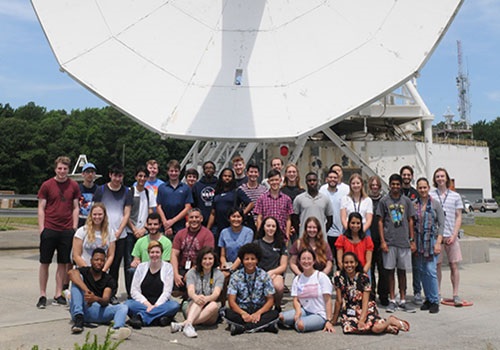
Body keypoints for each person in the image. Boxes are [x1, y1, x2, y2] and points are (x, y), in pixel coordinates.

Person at [37, 156, 80, 308]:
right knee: (45, 262)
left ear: (68, 170)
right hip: (50, 228)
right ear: (55, 169)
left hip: (66, 230)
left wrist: (74, 227)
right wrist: (42, 228)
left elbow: (76, 207)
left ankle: (58, 293)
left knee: (63, 263)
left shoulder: (73, 186)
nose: (62, 171)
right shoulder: (47, 185)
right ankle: (42, 294)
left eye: (65, 169)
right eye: (60, 168)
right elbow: (41, 207)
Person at [331, 252, 410, 335]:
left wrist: (362, 319)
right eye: (346, 263)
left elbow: (365, 302)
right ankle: (387, 327)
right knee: (349, 328)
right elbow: (338, 301)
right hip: (349, 310)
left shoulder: (363, 278)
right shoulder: (338, 277)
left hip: (365, 308)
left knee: (374, 328)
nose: (349, 265)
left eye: (351, 262)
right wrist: (334, 320)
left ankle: (389, 321)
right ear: (342, 264)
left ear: (356, 263)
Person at [68, 248, 131, 340]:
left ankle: (116, 329)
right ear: (91, 261)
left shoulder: (109, 279)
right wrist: (86, 291)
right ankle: (79, 319)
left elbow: (105, 300)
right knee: (76, 282)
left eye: (102, 260)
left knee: (123, 307)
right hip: (82, 306)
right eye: (96, 259)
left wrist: (95, 298)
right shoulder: (85, 271)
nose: (99, 262)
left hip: (97, 309)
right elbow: (71, 273)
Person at [376, 174, 416, 313]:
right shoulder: (384, 201)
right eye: (393, 184)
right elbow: (380, 221)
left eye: (397, 184)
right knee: (390, 271)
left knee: (402, 272)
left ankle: (403, 299)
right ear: (389, 184)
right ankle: (392, 299)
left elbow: (411, 220)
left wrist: (412, 240)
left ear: (400, 185)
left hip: (403, 242)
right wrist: (382, 241)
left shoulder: (406, 201)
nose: (395, 187)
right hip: (389, 241)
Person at [93, 163, 133, 297]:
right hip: (102, 234)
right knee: (99, 264)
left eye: (120, 176)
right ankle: (97, 290)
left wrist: (119, 231)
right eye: (115, 175)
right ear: (110, 175)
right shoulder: (101, 190)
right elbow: (95, 210)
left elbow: (126, 213)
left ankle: (112, 293)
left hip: (119, 235)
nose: (117, 179)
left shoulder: (127, 191)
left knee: (115, 267)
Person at [222, 243, 280, 335]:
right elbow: (231, 302)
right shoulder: (235, 276)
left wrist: (258, 313)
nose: (250, 262)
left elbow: (270, 301)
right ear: (242, 260)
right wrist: (243, 313)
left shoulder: (264, 275)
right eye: (247, 259)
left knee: (275, 314)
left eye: (253, 259)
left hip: (259, 310)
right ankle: (263, 326)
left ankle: (242, 328)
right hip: (241, 310)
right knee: (226, 312)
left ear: (257, 260)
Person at [171, 247, 225, 338]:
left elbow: (216, 294)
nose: (207, 261)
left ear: (214, 259)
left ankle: (185, 324)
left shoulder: (219, 274)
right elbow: (190, 291)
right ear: (200, 260)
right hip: (192, 305)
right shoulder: (192, 272)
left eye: (210, 259)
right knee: (198, 299)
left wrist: (206, 299)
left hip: (210, 310)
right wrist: (196, 297)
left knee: (214, 305)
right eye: (204, 259)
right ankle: (188, 325)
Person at [126, 241, 180, 329]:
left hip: (161, 303)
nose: (155, 255)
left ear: (161, 253)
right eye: (152, 252)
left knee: (174, 305)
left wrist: (156, 306)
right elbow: (134, 290)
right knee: (127, 304)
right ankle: (158, 319)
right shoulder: (141, 267)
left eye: (157, 252)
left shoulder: (168, 267)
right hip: (143, 303)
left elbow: (167, 292)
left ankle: (142, 317)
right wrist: (148, 305)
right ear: (148, 253)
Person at [430, 168, 464, 306]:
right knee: (436, 266)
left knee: (453, 265)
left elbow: (458, 217)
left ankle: (455, 294)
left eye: (442, 176)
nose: (440, 179)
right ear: (435, 179)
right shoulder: (431, 195)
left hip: (451, 235)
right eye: (437, 176)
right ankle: (437, 293)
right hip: (437, 237)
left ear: (447, 178)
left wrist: (454, 235)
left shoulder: (455, 196)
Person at [279, 248, 334, 333]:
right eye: (303, 259)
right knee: (281, 317)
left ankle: (305, 322)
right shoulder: (297, 279)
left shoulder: (321, 276)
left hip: (319, 314)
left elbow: (328, 300)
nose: (306, 261)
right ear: (299, 261)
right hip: (305, 310)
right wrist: (298, 311)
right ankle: (301, 321)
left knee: (300, 325)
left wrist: (328, 320)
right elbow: (295, 299)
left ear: (314, 261)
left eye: (309, 259)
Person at [414, 177, 444, 313]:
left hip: (431, 241)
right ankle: (428, 298)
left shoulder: (436, 204)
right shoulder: (414, 204)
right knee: (422, 271)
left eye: (424, 187)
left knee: (431, 271)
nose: (422, 190)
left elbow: (442, 225)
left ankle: (435, 300)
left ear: (428, 188)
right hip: (419, 241)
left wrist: (438, 242)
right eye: (420, 187)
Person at [126, 166, 155, 293]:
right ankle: (130, 292)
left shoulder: (149, 193)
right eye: (140, 176)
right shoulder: (129, 192)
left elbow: (150, 212)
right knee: (129, 263)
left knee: (144, 262)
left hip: (144, 233)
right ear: (135, 177)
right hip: (129, 232)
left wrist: (144, 228)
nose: (142, 179)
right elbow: (125, 213)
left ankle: (141, 290)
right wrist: (134, 229)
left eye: (144, 176)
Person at [171, 208, 215, 292]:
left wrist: (191, 272)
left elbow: (207, 257)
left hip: (199, 269)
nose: (194, 220)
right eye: (191, 217)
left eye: (196, 217)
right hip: (182, 268)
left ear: (201, 219)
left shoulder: (207, 234)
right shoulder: (180, 233)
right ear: (188, 219)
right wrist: (175, 274)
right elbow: (174, 254)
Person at [254, 217, 288, 311]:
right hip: (259, 274)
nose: (271, 228)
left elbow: (283, 266)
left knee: (278, 286)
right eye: (268, 226)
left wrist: (271, 272)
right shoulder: (257, 243)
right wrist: (263, 275)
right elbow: (252, 263)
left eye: (273, 226)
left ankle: (277, 307)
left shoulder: (281, 244)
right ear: (263, 227)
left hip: (275, 274)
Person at [207, 168, 253, 237]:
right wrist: (207, 229)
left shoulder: (237, 191)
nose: (227, 178)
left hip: (232, 227)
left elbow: (251, 204)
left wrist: (240, 215)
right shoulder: (217, 192)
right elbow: (213, 213)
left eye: (229, 176)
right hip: (218, 228)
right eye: (225, 176)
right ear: (221, 177)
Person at [73, 203, 116, 272]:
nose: (97, 217)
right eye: (95, 214)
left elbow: (110, 255)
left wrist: (103, 270)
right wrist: (89, 272)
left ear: (104, 215)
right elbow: (76, 255)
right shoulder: (82, 231)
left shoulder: (110, 232)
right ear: (90, 215)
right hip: (84, 271)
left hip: (101, 272)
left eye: (100, 214)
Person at [400, 165, 421, 304]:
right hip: (399, 232)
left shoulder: (416, 193)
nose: (406, 177)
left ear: (412, 176)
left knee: (416, 265)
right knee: (401, 266)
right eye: (404, 174)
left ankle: (417, 292)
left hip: (414, 232)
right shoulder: (396, 191)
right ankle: (402, 293)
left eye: (409, 175)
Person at [157, 159, 194, 237]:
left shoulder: (185, 188)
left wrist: (173, 221)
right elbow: (158, 206)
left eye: (176, 171)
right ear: (167, 172)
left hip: (180, 226)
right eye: (171, 171)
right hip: (165, 226)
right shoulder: (162, 187)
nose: (173, 173)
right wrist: (166, 223)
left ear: (180, 172)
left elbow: (187, 208)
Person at [367, 175, 389, 305]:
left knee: (383, 269)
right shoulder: (366, 200)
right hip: (369, 239)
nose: (374, 188)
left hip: (381, 239)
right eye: (372, 185)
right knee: (370, 268)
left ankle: (383, 295)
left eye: (377, 185)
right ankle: (371, 294)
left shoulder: (384, 201)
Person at [254, 169, 293, 241]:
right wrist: (260, 234)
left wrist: (287, 236)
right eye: (272, 180)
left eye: (276, 180)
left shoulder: (287, 199)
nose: (274, 182)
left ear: (280, 180)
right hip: (266, 236)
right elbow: (259, 218)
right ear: (268, 182)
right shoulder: (262, 198)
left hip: (281, 236)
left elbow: (288, 219)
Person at [293, 171, 333, 236]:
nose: (312, 182)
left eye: (314, 180)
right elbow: (294, 219)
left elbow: (330, 220)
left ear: (318, 181)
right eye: (309, 180)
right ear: (306, 182)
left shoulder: (325, 199)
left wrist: (322, 231)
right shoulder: (299, 198)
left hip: (321, 239)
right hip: (304, 238)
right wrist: (301, 232)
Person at [319, 169, 344, 270]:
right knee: (326, 260)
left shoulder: (343, 194)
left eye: (335, 178)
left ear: (338, 180)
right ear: (326, 179)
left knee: (340, 262)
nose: (333, 179)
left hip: (340, 232)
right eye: (331, 177)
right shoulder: (322, 192)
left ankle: (340, 284)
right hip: (326, 232)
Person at [219, 207, 254, 273]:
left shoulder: (248, 232)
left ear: (242, 218)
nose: (236, 219)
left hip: (243, 266)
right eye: (233, 216)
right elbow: (222, 255)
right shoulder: (224, 232)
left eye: (238, 217)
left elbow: (244, 253)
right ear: (229, 218)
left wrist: (232, 269)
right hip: (228, 265)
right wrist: (224, 264)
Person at [239, 163, 268, 234]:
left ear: (258, 174)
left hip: (261, 222)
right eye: (251, 172)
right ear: (247, 173)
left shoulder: (264, 190)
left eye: (255, 172)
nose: (253, 174)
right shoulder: (241, 189)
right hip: (246, 223)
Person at [281, 164, 305, 242]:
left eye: (294, 172)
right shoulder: (281, 191)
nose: (292, 174)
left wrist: (296, 226)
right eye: (289, 172)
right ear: (286, 174)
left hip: (298, 226)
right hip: (284, 226)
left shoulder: (302, 192)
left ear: (297, 174)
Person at [192, 161, 218, 227]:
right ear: (203, 170)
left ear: (214, 170)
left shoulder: (219, 185)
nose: (209, 169)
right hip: (200, 221)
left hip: (216, 221)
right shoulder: (197, 186)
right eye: (206, 168)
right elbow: (193, 204)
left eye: (211, 168)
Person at [78, 162, 97, 227]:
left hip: (94, 222)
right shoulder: (77, 189)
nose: (90, 174)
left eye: (92, 172)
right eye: (88, 172)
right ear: (83, 174)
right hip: (80, 222)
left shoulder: (99, 190)